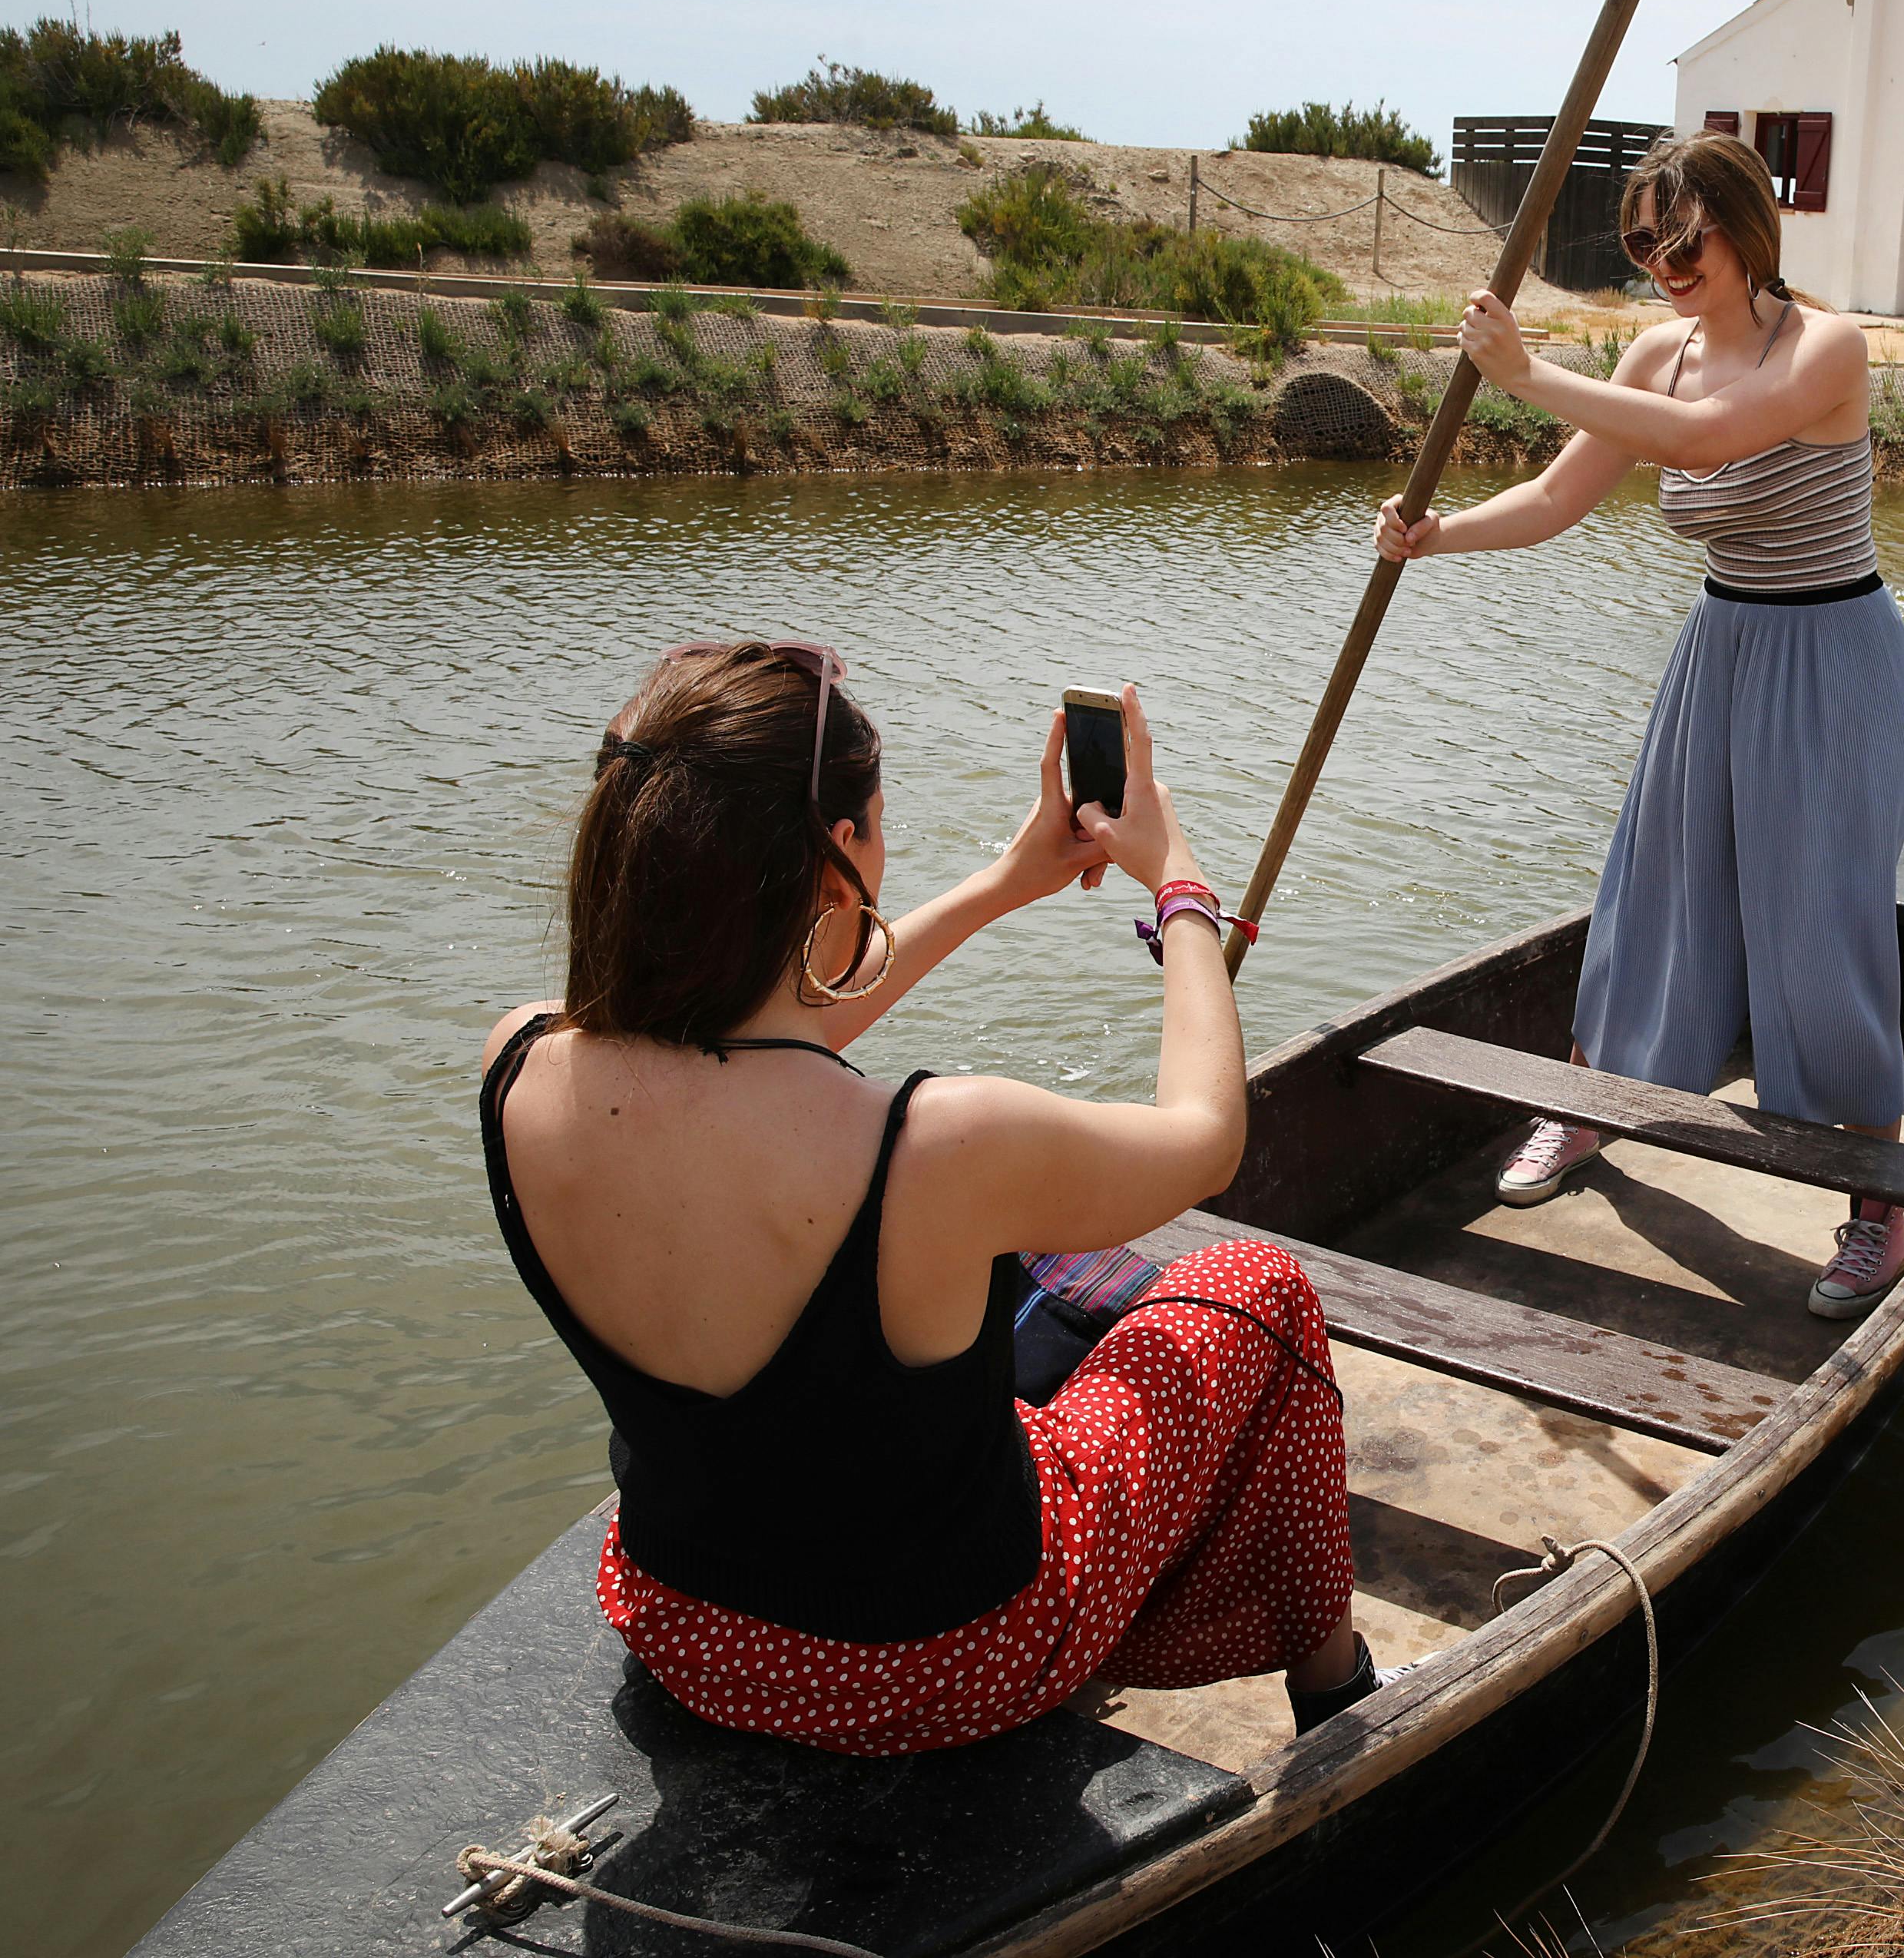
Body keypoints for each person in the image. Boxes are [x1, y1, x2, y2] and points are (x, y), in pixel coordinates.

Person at [482, 643, 1373, 1756]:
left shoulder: (519, 1065)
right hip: (945, 1663)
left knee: (998, 1296)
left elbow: (759, 1035)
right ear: (838, 856)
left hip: (688, 1628)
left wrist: (1008, 882)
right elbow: (1206, 1142)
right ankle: (1340, 1685)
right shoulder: (939, 1147)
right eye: (879, 832)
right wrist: (1180, 883)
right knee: (1259, 1289)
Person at [1374, 131, 1904, 1324]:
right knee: (1652, 889)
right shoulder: (1654, 355)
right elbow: (1559, 497)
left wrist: (1522, 373)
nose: (1665, 263)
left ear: (1744, 226)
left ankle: (1874, 1210)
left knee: (1821, 925)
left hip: (1832, 660)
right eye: (1643, 243)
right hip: (1722, 650)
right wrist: (1437, 536)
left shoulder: (1826, 348)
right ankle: (1583, 1111)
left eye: (1685, 238)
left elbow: (1707, 446)